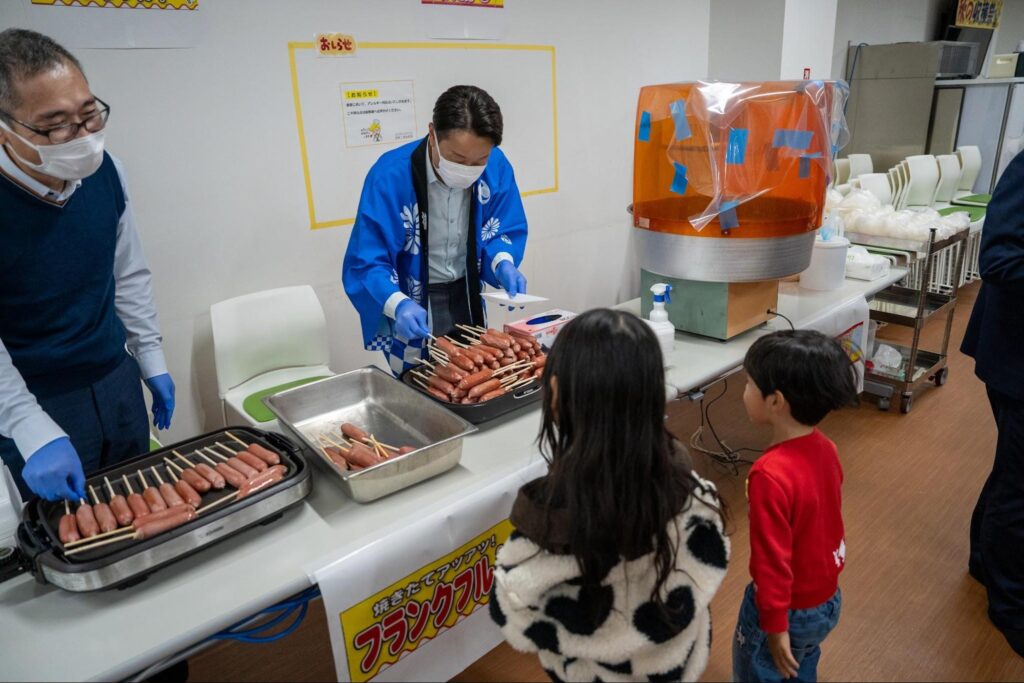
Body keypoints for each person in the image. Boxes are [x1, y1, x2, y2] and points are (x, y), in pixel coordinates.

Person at [488, 309, 729, 682]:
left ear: (555, 395)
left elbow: (511, 609)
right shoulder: (688, 488)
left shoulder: (549, 526)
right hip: (674, 666)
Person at [0, 29, 174, 502]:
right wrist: (29, 427)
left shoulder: (106, 170)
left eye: (89, 113)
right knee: (63, 528)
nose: (83, 136)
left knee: (138, 505)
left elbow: (128, 272)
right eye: (56, 125)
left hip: (115, 377)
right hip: (36, 398)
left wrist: (150, 357)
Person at [343, 85, 528, 376]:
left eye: (479, 161)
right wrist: (398, 304)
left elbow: (501, 225)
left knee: (474, 370)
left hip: (466, 289)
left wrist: (503, 262)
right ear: (432, 134)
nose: (468, 169)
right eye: (458, 159)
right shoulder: (390, 176)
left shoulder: (497, 165)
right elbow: (368, 258)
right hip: (414, 295)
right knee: (419, 379)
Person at [732, 330, 858, 682]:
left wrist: (774, 626)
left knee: (758, 669)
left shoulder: (769, 475)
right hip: (826, 600)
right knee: (801, 665)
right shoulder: (826, 448)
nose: (744, 391)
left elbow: (771, 561)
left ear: (775, 401)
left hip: (786, 611)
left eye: (748, 384)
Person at [961, 150, 1024, 657]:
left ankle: (984, 562)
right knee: (1019, 486)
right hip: (1014, 356)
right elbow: (999, 257)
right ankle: (1011, 607)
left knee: (1013, 471)